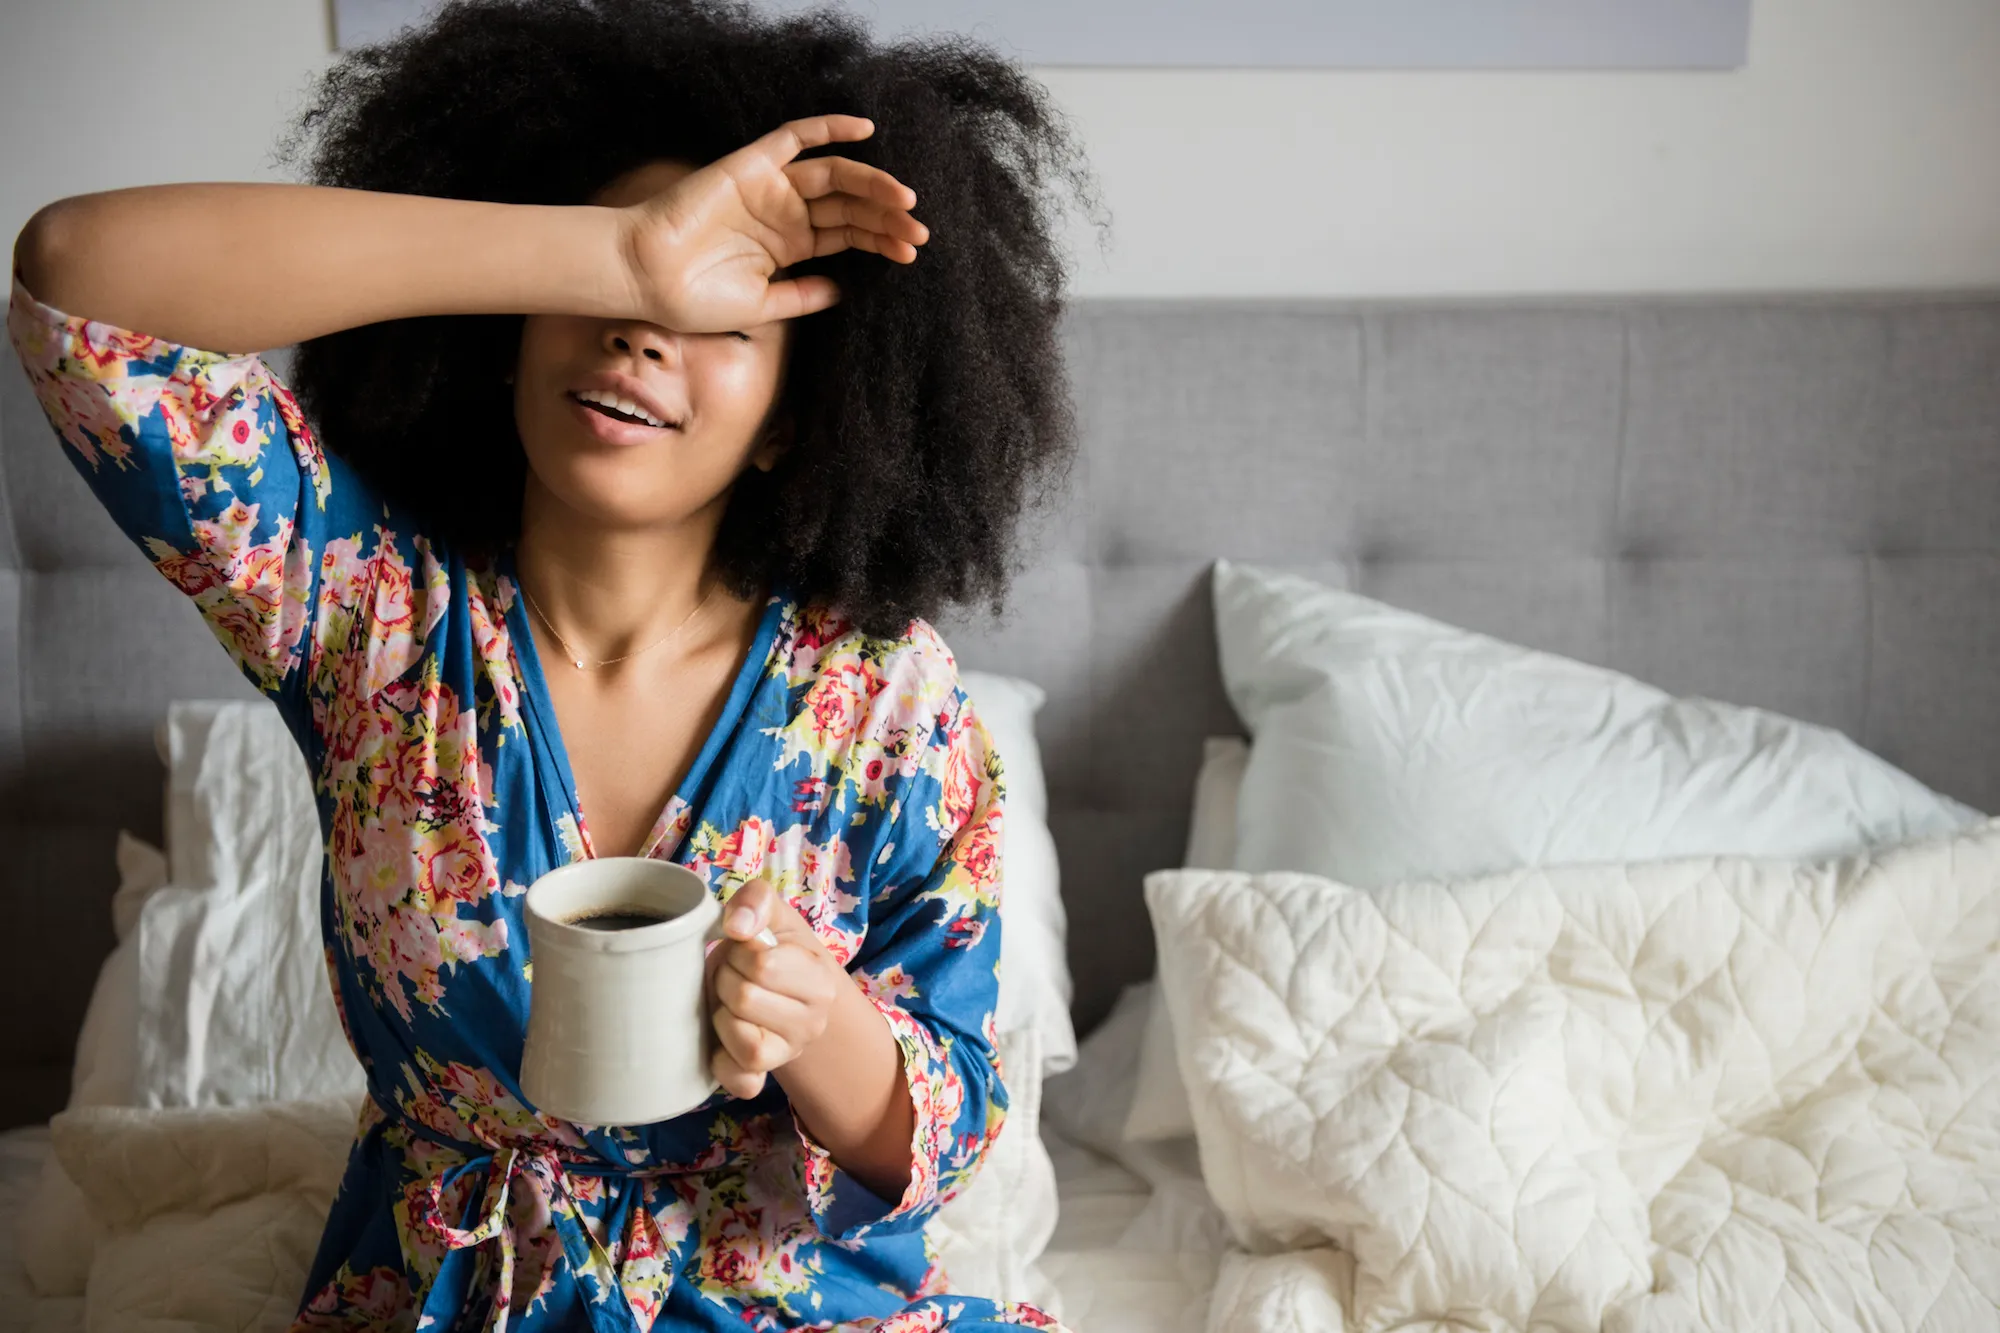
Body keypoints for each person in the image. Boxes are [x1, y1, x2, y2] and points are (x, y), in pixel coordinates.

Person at [8, 1, 1085, 1328]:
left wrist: (818, 1030)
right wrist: (624, 249)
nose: (643, 334)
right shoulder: (360, 607)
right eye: (611, 301)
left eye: (723, 322)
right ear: (520, 325)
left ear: (788, 427)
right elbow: (75, 277)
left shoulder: (884, 696)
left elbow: (953, 1129)